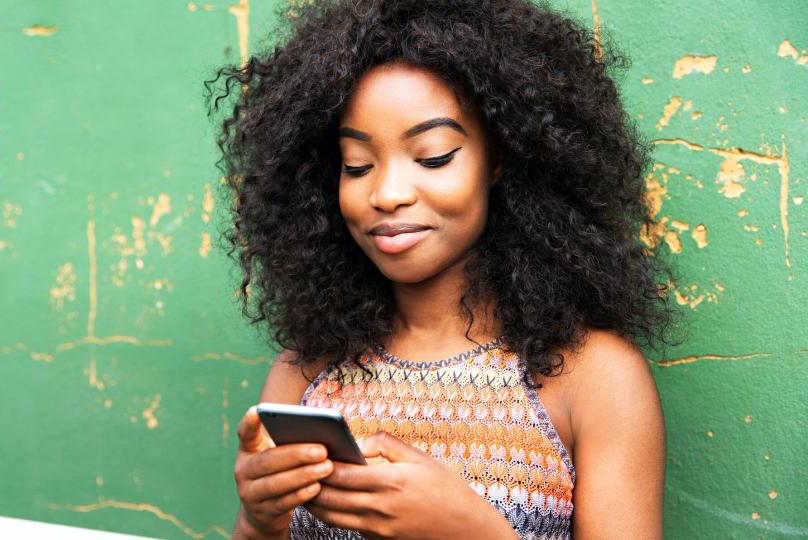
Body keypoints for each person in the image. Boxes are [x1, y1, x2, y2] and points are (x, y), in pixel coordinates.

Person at [206, 0, 678, 537]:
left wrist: (473, 530)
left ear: (498, 159)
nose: (386, 194)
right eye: (357, 165)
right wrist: (259, 523)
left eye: (432, 157)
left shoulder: (593, 377)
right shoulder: (305, 373)